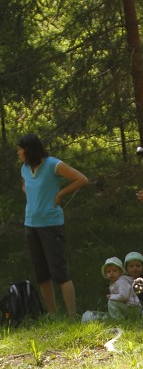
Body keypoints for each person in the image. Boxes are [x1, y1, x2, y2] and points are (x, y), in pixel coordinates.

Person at [16, 133, 89, 317]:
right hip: (31, 225)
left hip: (51, 225)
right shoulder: (25, 168)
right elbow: (25, 186)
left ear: (29, 149)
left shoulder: (53, 164)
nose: (18, 153)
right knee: (42, 274)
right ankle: (52, 314)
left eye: (20, 149)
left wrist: (59, 194)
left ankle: (72, 315)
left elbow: (82, 179)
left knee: (60, 272)